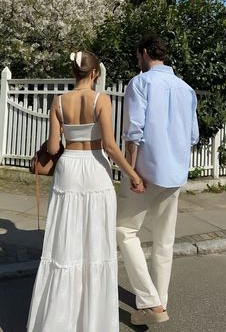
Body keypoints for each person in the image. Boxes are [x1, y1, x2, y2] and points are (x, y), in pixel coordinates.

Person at [27, 50, 144, 332]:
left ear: (74, 72)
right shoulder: (100, 99)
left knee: (66, 241)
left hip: (68, 170)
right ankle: (92, 321)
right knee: (95, 241)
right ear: (94, 74)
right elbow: (110, 147)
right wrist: (133, 174)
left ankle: (58, 318)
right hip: (94, 170)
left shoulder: (59, 101)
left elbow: (54, 148)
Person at [117, 35, 199, 326]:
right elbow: (193, 136)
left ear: (144, 53)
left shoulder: (140, 83)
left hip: (146, 173)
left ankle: (152, 302)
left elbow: (133, 132)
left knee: (124, 231)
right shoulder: (187, 89)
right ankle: (159, 298)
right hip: (175, 173)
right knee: (165, 240)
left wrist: (132, 172)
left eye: (138, 55)